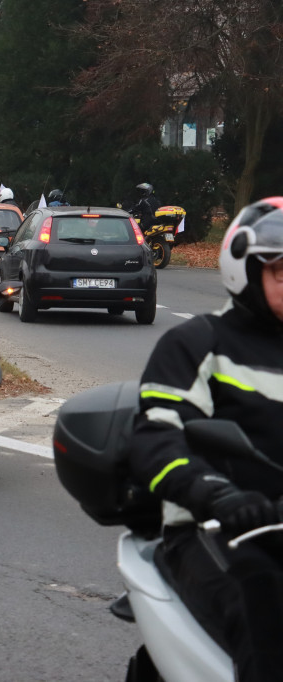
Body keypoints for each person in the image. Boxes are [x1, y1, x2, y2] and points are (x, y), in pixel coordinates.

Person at [129, 197, 283, 681]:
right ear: (246, 270)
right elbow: (156, 439)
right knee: (265, 595)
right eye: (282, 272)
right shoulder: (200, 344)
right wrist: (216, 494)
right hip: (217, 531)